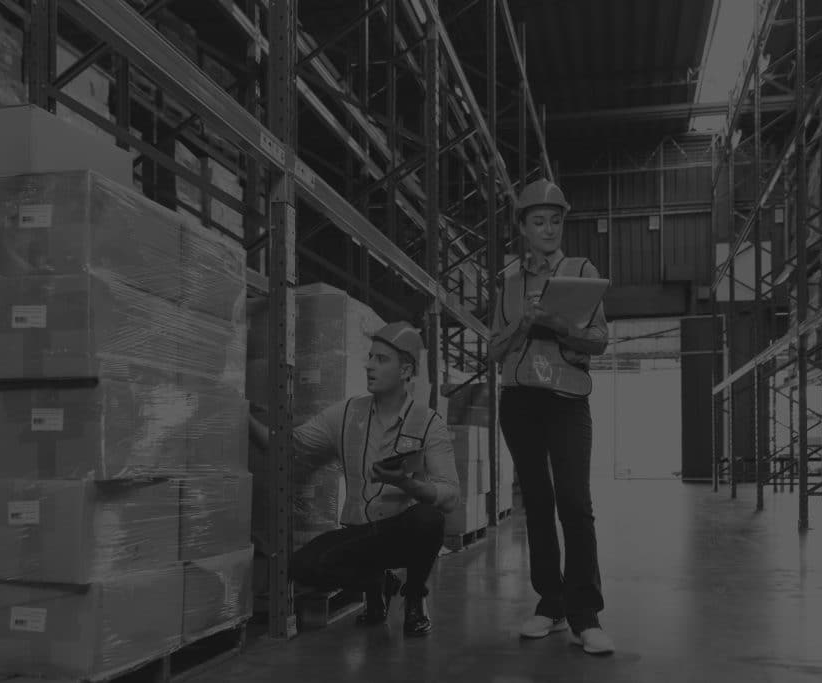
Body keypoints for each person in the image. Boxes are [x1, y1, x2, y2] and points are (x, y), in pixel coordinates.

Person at [249, 322, 460, 636]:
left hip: (401, 532)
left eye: (381, 359)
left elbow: (451, 494)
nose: (369, 365)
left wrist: (408, 484)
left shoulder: (428, 422)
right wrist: (244, 417)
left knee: (429, 519)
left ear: (405, 370)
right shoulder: (347, 414)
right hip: (362, 533)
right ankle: (380, 584)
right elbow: (288, 446)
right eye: (370, 357)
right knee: (301, 566)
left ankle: (414, 599)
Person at [487, 178, 615, 656]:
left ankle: (586, 614)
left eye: (555, 221)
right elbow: (494, 350)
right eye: (538, 221)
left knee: (574, 502)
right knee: (536, 503)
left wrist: (561, 327)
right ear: (521, 227)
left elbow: (600, 340)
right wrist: (522, 324)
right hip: (519, 401)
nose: (548, 229)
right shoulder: (509, 280)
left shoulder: (581, 270)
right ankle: (550, 602)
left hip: (566, 400)